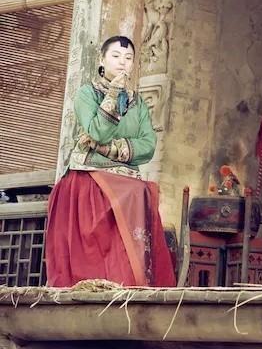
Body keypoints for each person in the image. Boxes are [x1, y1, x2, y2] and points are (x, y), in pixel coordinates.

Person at [46, 36, 176, 287]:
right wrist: (114, 93)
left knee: (141, 192)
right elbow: (97, 132)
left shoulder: (138, 103)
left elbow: (148, 146)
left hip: (127, 183)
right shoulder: (86, 94)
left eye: (128, 58)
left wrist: (106, 148)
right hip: (90, 178)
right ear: (102, 60)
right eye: (115, 56)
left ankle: (131, 286)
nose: (122, 62)